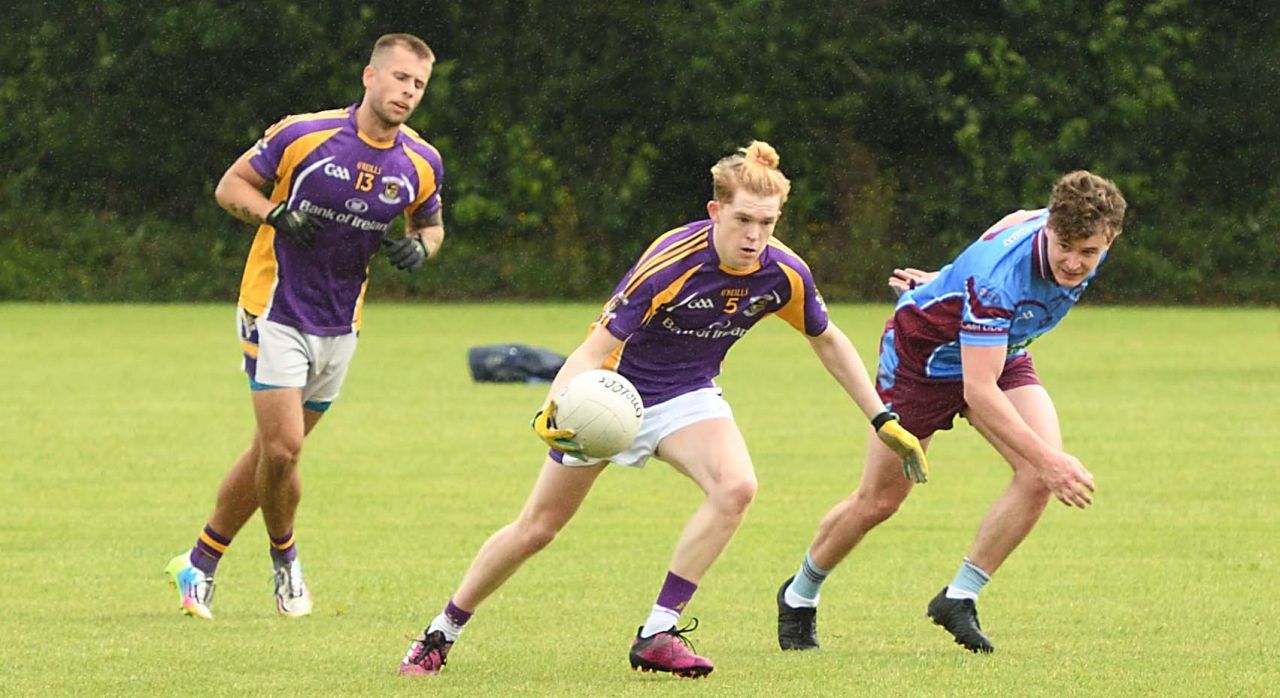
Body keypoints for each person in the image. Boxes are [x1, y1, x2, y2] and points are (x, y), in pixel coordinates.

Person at [398, 141, 928, 678]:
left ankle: (658, 631)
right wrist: (555, 408)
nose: (755, 235)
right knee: (537, 528)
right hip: (610, 398)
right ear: (715, 212)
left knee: (736, 487)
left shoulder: (783, 274)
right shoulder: (671, 262)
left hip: (686, 396)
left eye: (767, 223)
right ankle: (441, 631)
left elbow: (828, 339)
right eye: (743, 219)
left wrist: (882, 419)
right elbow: (592, 349)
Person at [775, 170, 1127, 653]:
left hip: (998, 348)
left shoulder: (1063, 229)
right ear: (1049, 229)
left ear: (1110, 239)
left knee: (1038, 474)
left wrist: (943, 280)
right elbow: (978, 391)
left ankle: (958, 597)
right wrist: (1051, 462)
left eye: (1089, 252)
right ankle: (799, 594)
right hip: (921, 361)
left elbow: (993, 239)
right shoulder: (999, 282)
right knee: (880, 501)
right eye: (1065, 246)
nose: (1073, 262)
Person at [165, 33, 446, 620]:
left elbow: (430, 225)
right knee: (284, 447)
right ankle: (285, 560)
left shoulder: (421, 161)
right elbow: (230, 186)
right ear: (369, 77)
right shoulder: (304, 134)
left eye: (418, 85)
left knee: (275, 456)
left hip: (341, 324)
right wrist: (275, 214)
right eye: (399, 78)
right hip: (274, 308)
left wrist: (422, 249)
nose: (407, 92)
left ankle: (199, 560)